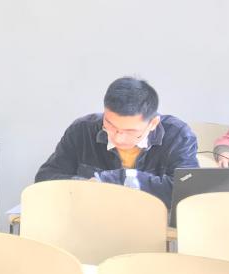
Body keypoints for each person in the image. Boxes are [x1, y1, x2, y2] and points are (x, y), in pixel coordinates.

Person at [35, 76, 197, 206]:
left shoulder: (177, 135)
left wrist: (119, 179)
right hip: (91, 220)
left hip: (151, 223)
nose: (118, 138)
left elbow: (186, 191)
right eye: (110, 125)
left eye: (130, 131)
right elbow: (45, 178)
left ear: (153, 123)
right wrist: (86, 185)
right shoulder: (82, 130)